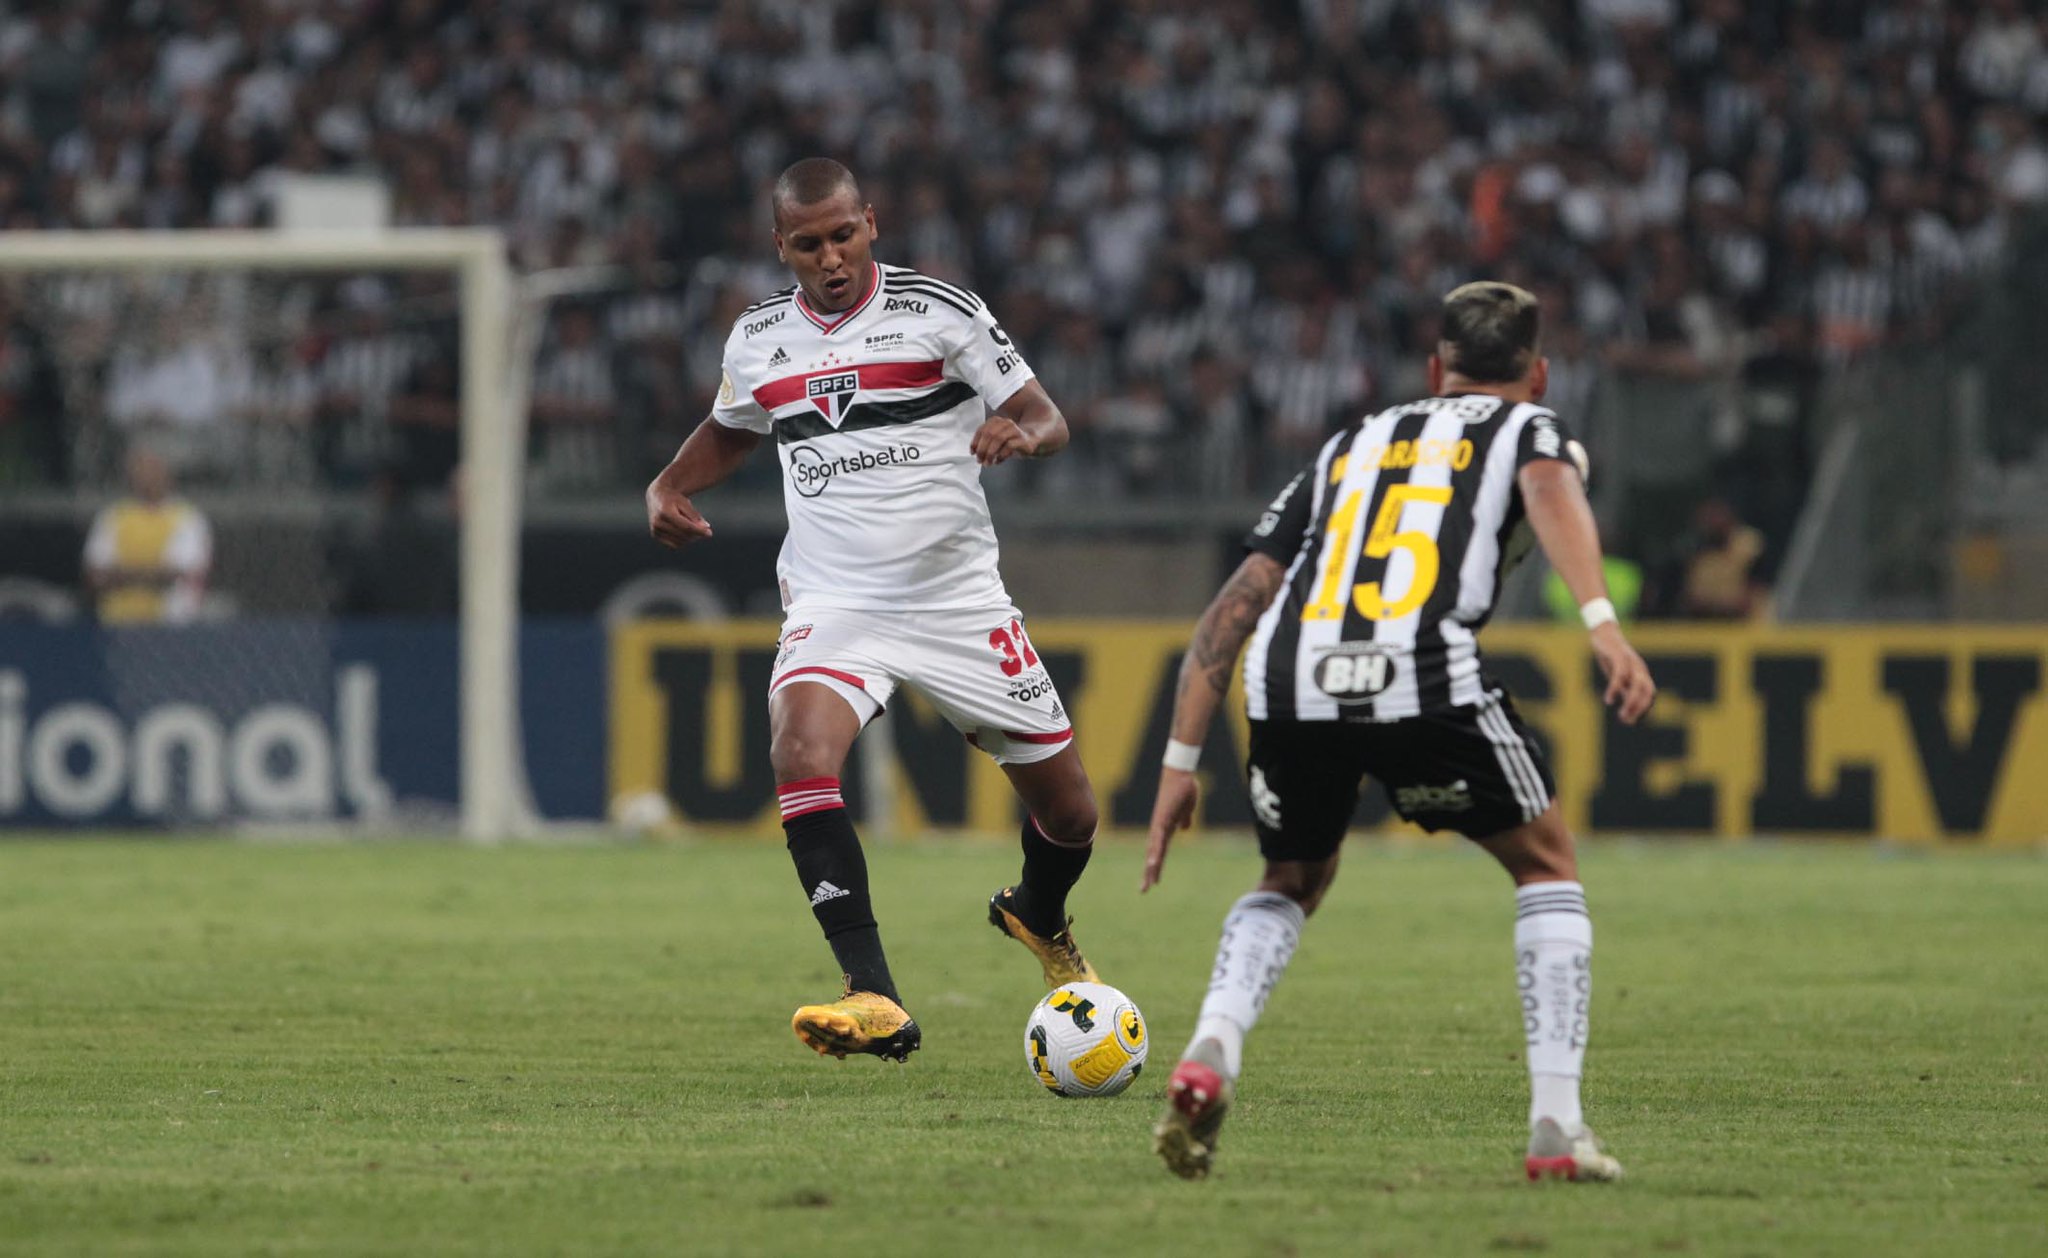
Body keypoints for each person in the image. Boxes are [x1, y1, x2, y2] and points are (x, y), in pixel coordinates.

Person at [1141, 282, 1657, 1182]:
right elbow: (1548, 485)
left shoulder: (1350, 442)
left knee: (1292, 875)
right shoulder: (1531, 429)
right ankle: (1555, 1128)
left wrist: (1180, 762)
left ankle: (1213, 1044)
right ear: (1537, 373)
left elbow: (1235, 604)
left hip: (1288, 671)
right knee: (1545, 863)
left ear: (1434, 369)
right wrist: (1603, 621)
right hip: (1417, 667)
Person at [645, 158, 1102, 1064]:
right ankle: (874, 995)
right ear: (782, 247)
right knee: (799, 750)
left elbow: (1047, 415)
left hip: (957, 598)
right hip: (836, 597)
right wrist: (667, 483)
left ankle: (1034, 913)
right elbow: (735, 426)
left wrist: (1022, 432)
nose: (831, 257)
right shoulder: (758, 336)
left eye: (843, 235)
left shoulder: (941, 312)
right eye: (808, 244)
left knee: (1075, 815)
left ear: (871, 224)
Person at [83, 446, 213, 624]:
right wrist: (151, 574)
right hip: (118, 624)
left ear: (167, 475)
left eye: (153, 470)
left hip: (170, 625)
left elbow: (179, 573)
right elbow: (95, 574)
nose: (146, 477)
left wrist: (121, 575)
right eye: (140, 471)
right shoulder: (113, 516)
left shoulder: (187, 518)